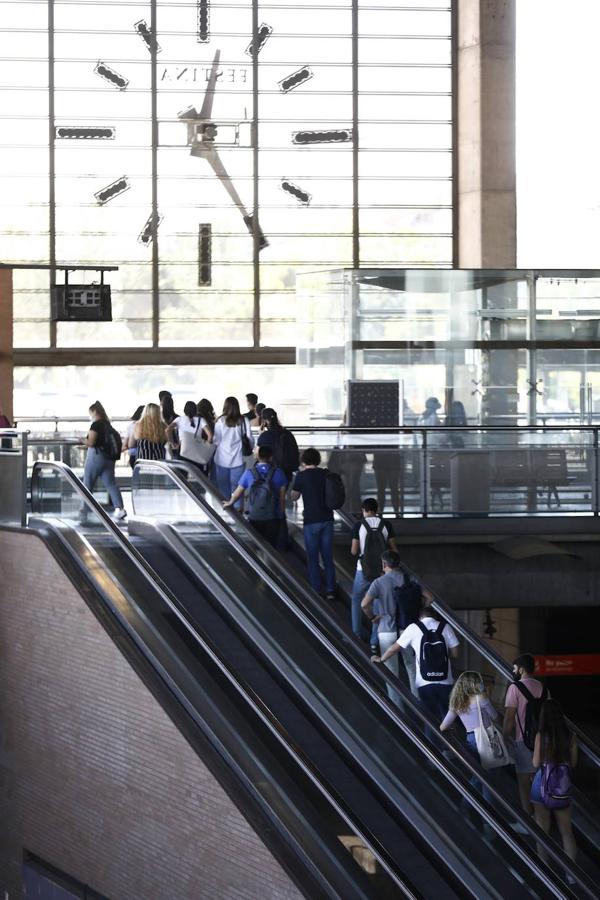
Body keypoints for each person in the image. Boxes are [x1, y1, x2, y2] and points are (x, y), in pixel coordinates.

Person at [373, 604, 459, 720]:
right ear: (435, 617)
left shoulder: (414, 628)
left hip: (424, 682)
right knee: (447, 717)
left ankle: (430, 736)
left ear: (420, 617)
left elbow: (394, 648)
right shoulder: (445, 627)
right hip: (445, 681)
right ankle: (450, 735)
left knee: (429, 718)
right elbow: (455, 654)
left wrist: (381, 659)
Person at [362, 550, 418, 703]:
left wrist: (373, 617)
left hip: (386, 629)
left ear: (384, 564)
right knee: (412, 667)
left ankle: (397, 710)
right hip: (406, 628)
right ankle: (418, 706)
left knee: (391, 673)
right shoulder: (409, 579)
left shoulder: (379, 582)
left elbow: (364, 604)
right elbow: (429, 598)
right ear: (398, 564)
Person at [530, 699, 578, 872]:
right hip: (562, 786)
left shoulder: (541, 736)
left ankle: (544, 870)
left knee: (542, 830)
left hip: (541, 783)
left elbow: (535, 763)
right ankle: (572, 875)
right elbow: (572, 763)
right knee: (566, 831)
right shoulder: (570, 736)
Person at [440, 671, 500, 804]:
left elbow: (443, 727)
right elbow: (495, 717)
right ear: (475, 684)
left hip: (471, 740)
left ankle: (465, 804)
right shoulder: (481, 698)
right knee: (488, 780)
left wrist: (452, 728)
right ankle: (488, 820)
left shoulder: (457, 702)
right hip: (487, 739)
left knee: (478, 776)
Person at [503, 653, 548, 821]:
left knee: (523, 782)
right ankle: (541, 817)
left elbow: (509, 717)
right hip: (542, 741)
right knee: (539, 779)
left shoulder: (515, 688)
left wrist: (505, 735)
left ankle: (527, 820)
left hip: (523, 739)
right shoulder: (543, 688)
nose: (514, 671)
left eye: (515, 668)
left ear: (521, 669)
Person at [291, 448, 336, 600]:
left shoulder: (301, 476)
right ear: (317, 460)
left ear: (304, 461)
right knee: (328, 556)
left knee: (312, 557)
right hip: (328, 519)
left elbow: (294, 497)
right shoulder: (325, 474)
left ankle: (316, 589)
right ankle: (331, 589)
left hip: (311, 520)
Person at [350, 498, 396, 646]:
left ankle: (356, 634)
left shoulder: (358, 525)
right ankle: (374, 641)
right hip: (382, 571)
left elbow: (354, 551)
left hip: (363, 570)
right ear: (377, 509)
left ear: (364, 510)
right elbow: (394, 550)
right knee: (378, 602)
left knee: (357, 599)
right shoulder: (386, 524)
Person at [223, 445, 287, 547]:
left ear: (257, 457)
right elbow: (282, 497)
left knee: (257, 544)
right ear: (271, 457)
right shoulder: (279, 473)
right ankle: (270, 562)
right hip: (273, 516)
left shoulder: (249, 472)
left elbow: (238, 491)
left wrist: (230, 502)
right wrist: (282, 513)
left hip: (255, 516)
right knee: (271, 546)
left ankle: (257, 561)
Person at [83, 401, 126, 520]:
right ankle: (120, 508)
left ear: (94, 412)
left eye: (90, 412)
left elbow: (91, 442)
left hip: (96, 457)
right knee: (111, 483)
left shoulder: (96, 425)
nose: (90, 415)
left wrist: (82, 440)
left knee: (88, 483)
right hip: (109, 459)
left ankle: (85, 511)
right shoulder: (108, 424)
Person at [213, 396, 254, 509]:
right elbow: (249, 438)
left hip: (221, 459)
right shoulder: (244, 420)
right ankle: (238, 511)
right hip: (238, 459)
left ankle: (225, 511)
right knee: (238, 487)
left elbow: (216, 440)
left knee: (223, 487)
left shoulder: (220, 421)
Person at [166, 400, 214, 473]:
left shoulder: (179, 419)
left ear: (184, 410)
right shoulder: (201, 420)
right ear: (196, 410)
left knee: (182, 476)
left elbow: (168, 430)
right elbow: (210, 435)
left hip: (182, 451)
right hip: (197, 452)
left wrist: (172, 444)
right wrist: (205, 446)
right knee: (199, 476)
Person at [122, 404, 144, 470]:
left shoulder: (130, 426)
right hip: (144, 455)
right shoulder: (149, 426)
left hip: (133, 455)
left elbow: (126, 445)